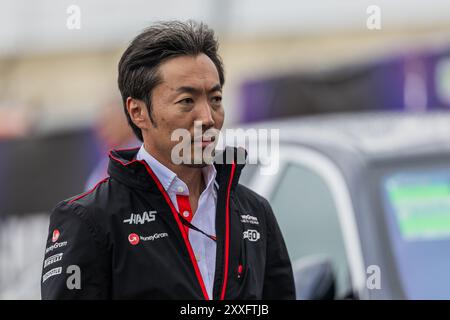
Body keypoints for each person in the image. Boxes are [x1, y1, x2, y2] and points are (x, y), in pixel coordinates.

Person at [41, 20, 295, 300]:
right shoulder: (89, 219)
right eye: (187, 101)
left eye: (216, 98)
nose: (207, 118)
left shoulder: (254, 212)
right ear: (138, 112)